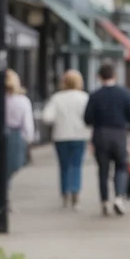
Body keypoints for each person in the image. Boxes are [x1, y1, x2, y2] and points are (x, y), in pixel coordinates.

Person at [84, 63, 130, 216]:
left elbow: (87, 118)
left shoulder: (95, 95)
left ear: (99, 77)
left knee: (103, 170)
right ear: (115, 76)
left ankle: (105, 201)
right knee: (121, 166)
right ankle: (119, 197)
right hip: (119, 134)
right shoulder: (125, 94)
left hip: (100, 134)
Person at [42, 70, 91, 208]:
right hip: (80, 136)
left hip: (61, 136)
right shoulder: (84, 98)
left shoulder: (57, 98)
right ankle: (75, 190)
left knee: (63, 166)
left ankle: (65, 193)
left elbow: (47, 117)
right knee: (76, 165)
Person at [0, 69, 35, 197]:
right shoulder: (22, 101)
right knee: (11, 166)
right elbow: (27, 124)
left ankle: (1, 193)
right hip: (14, 136)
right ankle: (3, 194)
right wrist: (28, 139)